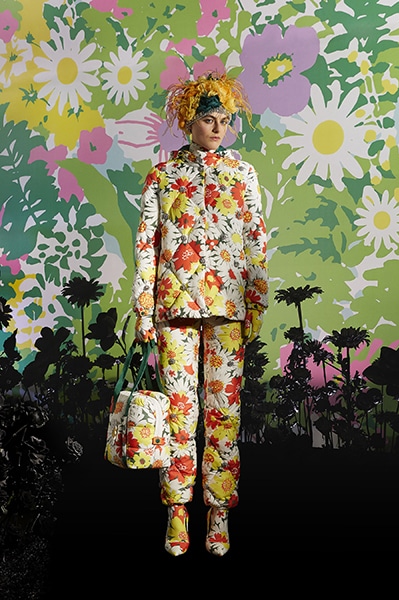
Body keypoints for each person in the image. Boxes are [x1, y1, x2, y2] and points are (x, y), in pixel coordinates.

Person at [132, 72, 269, 557]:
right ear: (190, 120)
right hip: (174, 308)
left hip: (228, 307)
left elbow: (255, 239)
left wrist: (257, 300)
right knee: (179, 412)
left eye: (224, 120)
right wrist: (143, 309)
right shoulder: (161, 176)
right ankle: (177, 510)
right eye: (209, 119)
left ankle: (219, 511)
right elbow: (146, 245)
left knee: (223, 413)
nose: (217, 128)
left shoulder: (243, 174)